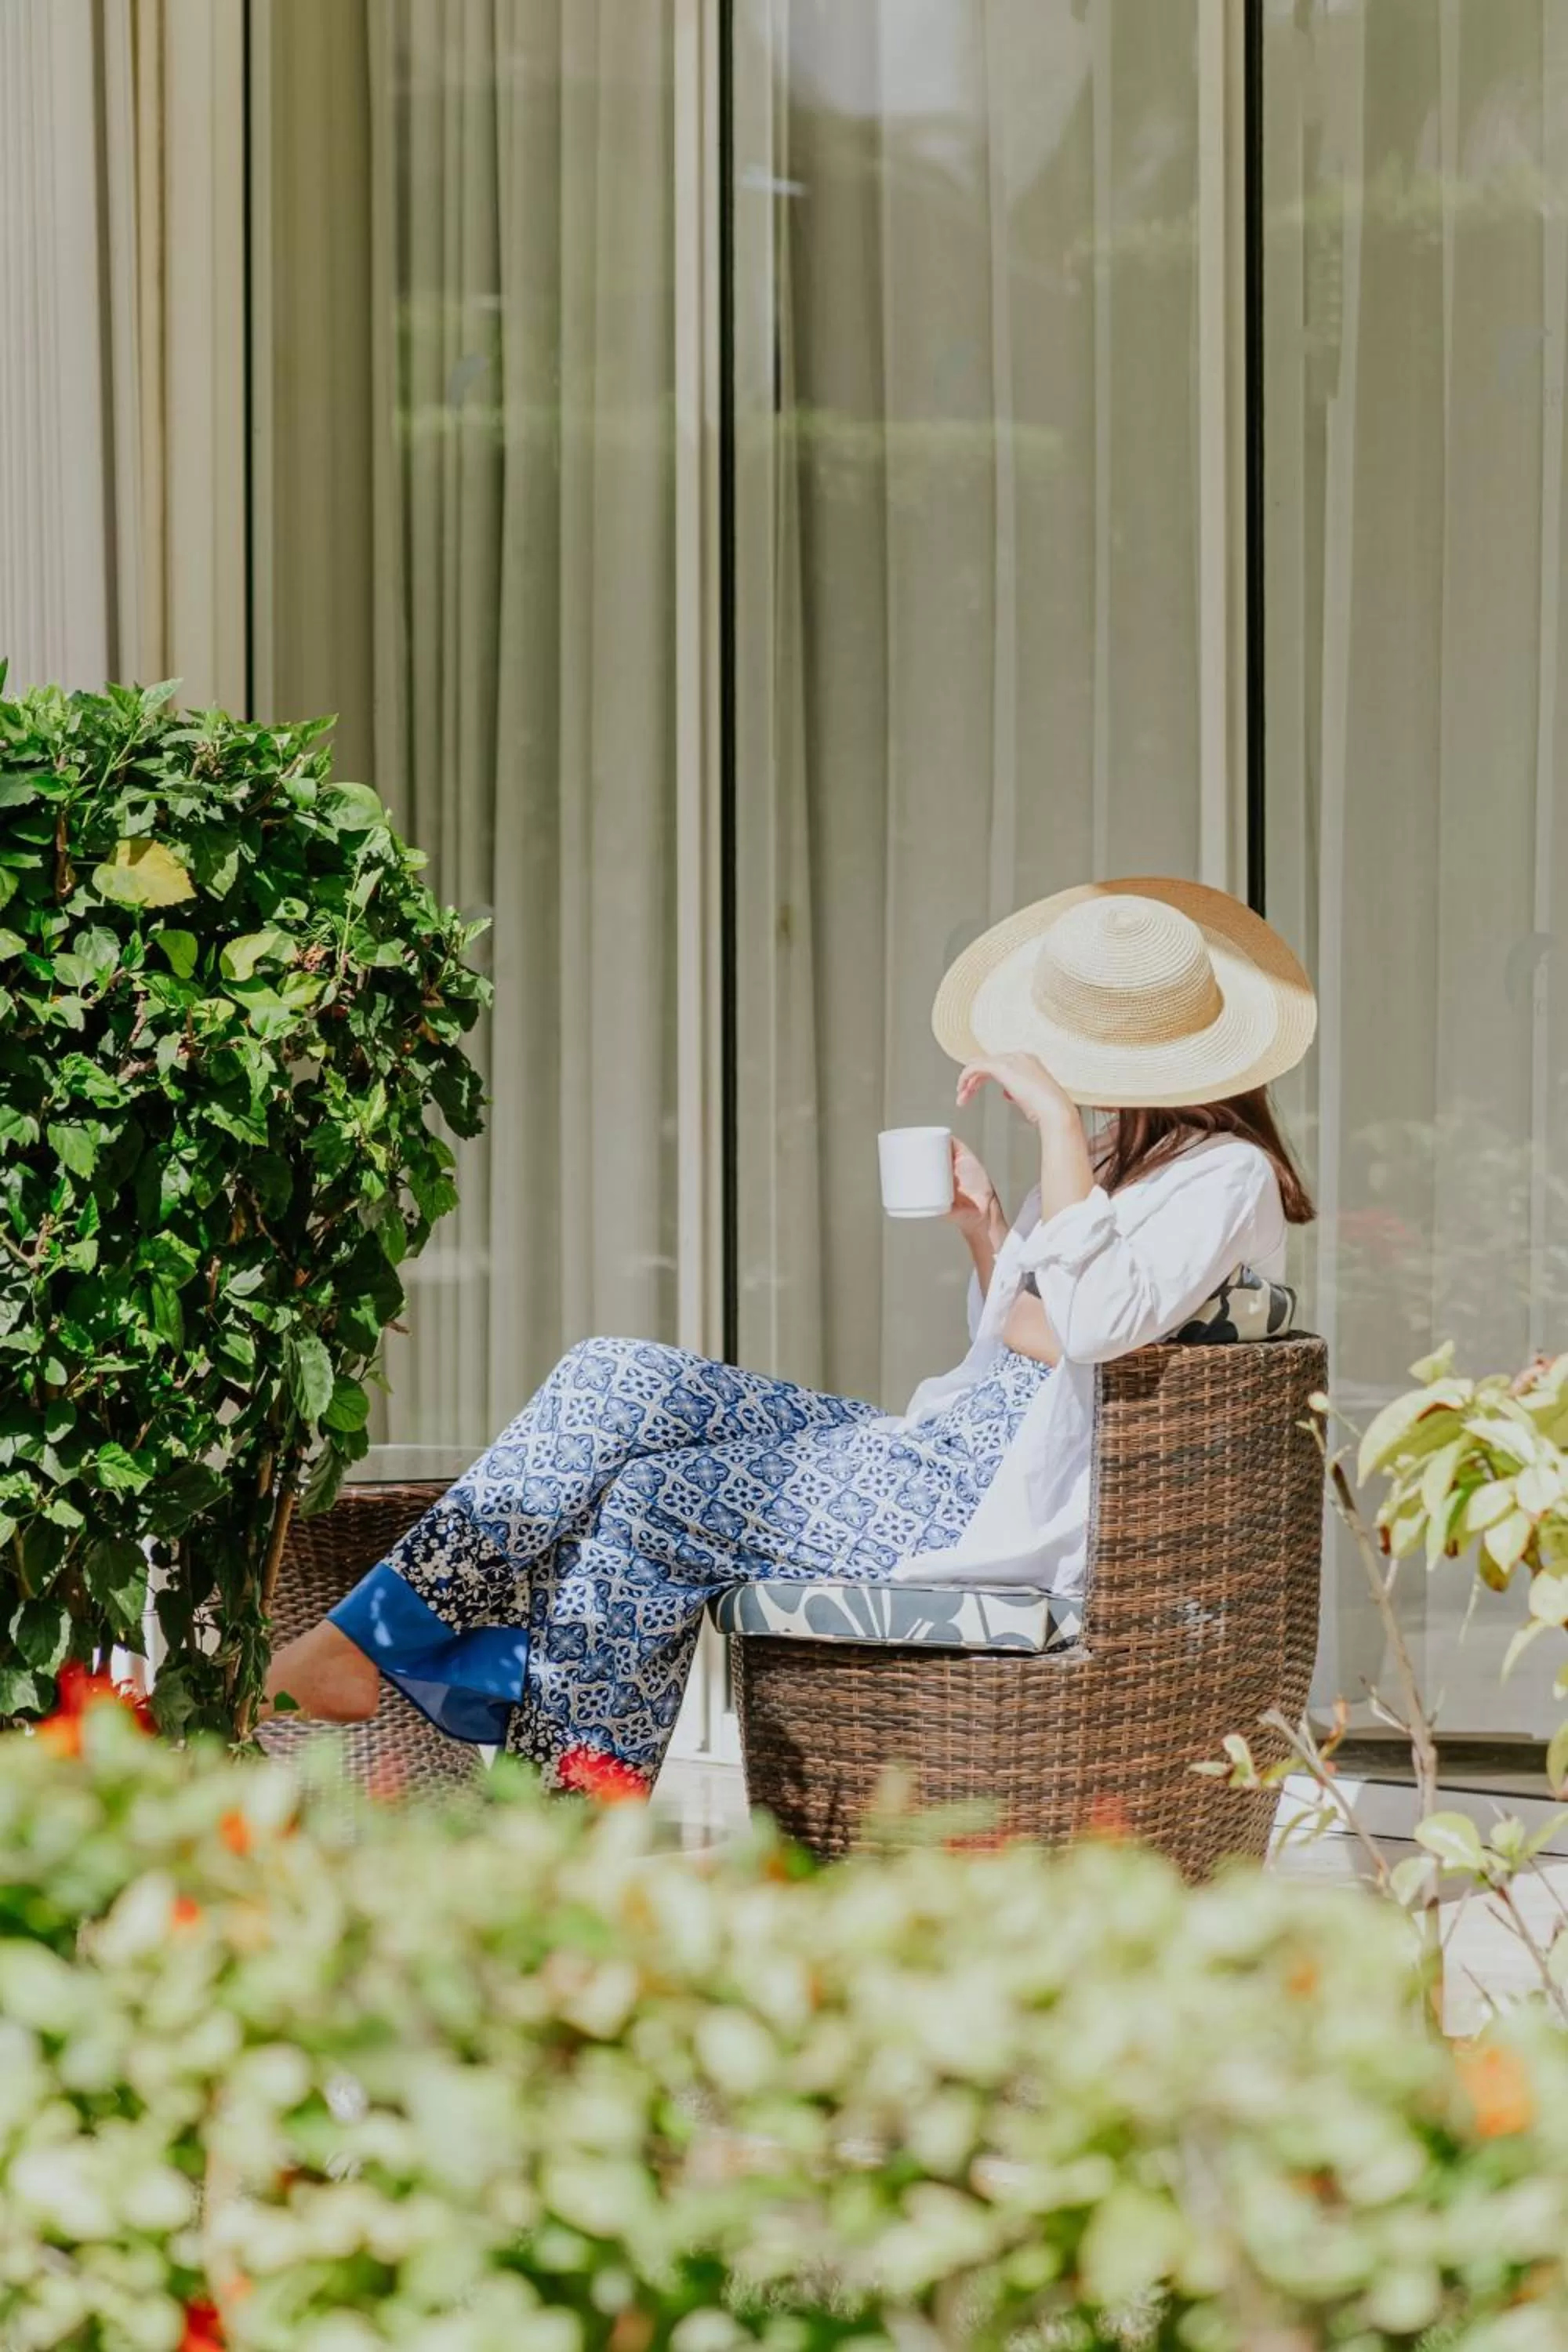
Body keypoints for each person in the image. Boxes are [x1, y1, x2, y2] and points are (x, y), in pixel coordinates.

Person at [263, 878, 1317, 1788]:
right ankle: (407, 1645)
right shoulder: (1117, 1162)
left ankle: (512, 1738)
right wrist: (988, 1230)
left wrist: (1047, 1131)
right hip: (940, 1448)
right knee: (613, 1378)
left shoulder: (1226, 1179)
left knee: (652, 1503)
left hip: (983, 1497)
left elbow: (1081, 1327)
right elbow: (1028, 1344)